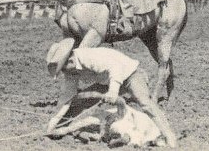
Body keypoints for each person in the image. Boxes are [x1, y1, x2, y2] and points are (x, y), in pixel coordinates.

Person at [45, 38, 177, 148]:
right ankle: (62, 128)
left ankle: (168, 135)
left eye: (63, 70)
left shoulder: (88, 57)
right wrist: (53, 123)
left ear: (71, 61)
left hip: (131, 74)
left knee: (145, 104)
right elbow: (66, 97)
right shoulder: (71, 71)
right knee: (78, 101)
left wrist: (113, 91)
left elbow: (115, 68)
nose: (64, 73)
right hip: (107, 81)